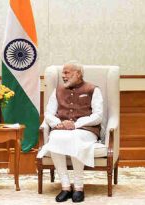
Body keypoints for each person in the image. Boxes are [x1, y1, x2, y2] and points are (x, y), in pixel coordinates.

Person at [37, 61, 103, 203]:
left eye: (66, 73)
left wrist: (76, 124)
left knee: (75, 138)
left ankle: (79, 187)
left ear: (78, 74)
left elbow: (98, 116)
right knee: (55, 138)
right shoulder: (58, 90)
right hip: (62, 128)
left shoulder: (93, 89)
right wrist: (59, 124)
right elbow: (48, 114)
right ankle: (65, 187)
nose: (63, 76)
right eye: (63, 73)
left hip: (86, 130)